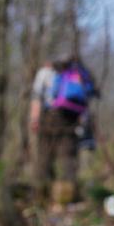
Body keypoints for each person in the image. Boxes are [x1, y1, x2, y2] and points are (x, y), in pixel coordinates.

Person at [30, 56, 97, 200]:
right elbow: (88, 98)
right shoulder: (79, 73)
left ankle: (42, 196)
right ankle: (68, 198)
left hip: (50, 118)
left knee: (45, 157)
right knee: (68, 157)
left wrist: (34, 119)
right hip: (71, 120)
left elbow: (36, 97)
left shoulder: (45, 72)